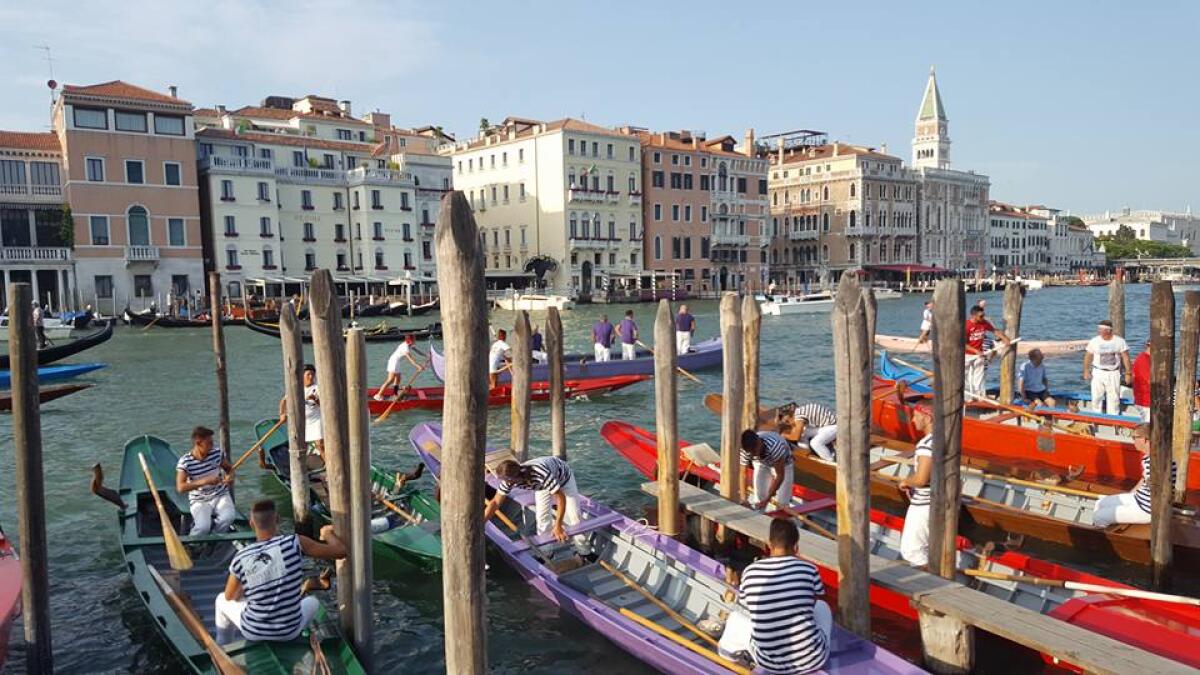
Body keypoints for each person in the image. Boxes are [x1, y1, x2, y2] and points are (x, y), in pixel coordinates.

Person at [215, 499, 347, 644]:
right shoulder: (295, 543)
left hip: (253, 631)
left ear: (252, 524)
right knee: (313, 602)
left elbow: (229, 597)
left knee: (220, 600)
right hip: (289, 631)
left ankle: (223, 644)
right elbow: (341, 551)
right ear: (278, 519)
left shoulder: (241, 557)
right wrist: (327, 533)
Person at [718, 518, 831, 673]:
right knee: (823, 606)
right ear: (796, 547)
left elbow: (747, 608)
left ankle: (733, 662)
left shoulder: (750, 572)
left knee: (735, 618)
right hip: (813, 659)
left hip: (769, 664)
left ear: (769, 544)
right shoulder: (810, 569)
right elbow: (814, 601)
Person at [483, 457, 589, 554]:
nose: (505, 483)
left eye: (507, 481)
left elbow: (561, 498)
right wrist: (481, 523)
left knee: (575, 518)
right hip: (541, 487)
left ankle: (584, 552)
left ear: (515, 477)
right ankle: (547, 553)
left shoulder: (539, 475)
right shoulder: (508, 481)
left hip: (564, 478)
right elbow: (495, 502)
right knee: (542, 518)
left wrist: (558, 526)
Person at [1092, 424, 1176, 527]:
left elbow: (1159, 487)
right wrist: (1131, 494)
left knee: (1098, 516)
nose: (1133, 441)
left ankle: (1105, 537)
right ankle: (1104, 527)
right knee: (1100, 503)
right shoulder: (1150, 456)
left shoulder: (1156, 460)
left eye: (1134, 438)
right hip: (1139, 499)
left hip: (1147, 509)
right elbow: (1144, 479)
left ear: (1144, 440)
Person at [175, 426, 236, 536]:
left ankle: (215, 539)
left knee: (228, 518)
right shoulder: (185, 462)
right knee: (203, 527)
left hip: (220, 494)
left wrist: (230, 477)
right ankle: (192, 544)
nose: (212, 446)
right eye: (209, 443)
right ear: (198, 443)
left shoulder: (217, 453)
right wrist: (204, 481)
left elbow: (229, 469)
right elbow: (181, 487)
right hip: (200, 499)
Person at [897, 408, 933, 566]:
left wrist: (906, 482)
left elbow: (921, 479)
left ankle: (930, 585)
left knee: (912, 550)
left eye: (916, 416)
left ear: (927, 418)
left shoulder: (926, 444)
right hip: (941, 500)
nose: (912, 420)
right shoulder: (946, 439)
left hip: (925, 502)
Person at [1083, 319, 1131, 416]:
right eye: (1099, 329)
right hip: (1098, 372)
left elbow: (1125, 358)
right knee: (1096, 397)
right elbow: (1088, 356)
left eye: (1101, 329)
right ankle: (1096, 416)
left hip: (1113, 373)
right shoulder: (1094, 341)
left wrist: (1128, 373)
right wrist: (1086, 370)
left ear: (1108, 330)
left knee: (1114, 398)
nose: (1099, 331)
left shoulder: (1119, 341)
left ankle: (1113, 418)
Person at [739, 429, 794, 511]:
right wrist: (744, 499)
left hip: (784, 464)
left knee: (782, 503)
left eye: (754, 451)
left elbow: (780, 476)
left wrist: (768, 497)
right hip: (761, 463)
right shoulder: (745, 450)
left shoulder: (775, 446)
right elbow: (743, 474)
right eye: (750, 452)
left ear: (759, 442)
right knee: (759, 497)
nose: (753, 454)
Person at [964, 305, 1011, 398]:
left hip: (980, 355)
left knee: (979, 377)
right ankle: (966, 396)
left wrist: (1005, 339)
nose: (983, 318)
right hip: (967, 355)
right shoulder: (966, 325)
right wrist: (975, 351)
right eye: (981, 316)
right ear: (973, 316)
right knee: (964, 376)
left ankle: (978, 396)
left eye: (983, 315)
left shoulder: (984, 323)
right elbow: (962, 343)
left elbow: (995, 331)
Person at [279, 364, 323, 458]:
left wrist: (315, 400)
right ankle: (304, 467)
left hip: (317, 420)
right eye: (308, 374)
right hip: (304, 422)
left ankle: (329, 466)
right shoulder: (297, 389)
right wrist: (282, 414)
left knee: (319, 444)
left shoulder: (317, 389)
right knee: (301, 446)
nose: (311, 377)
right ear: (302, 376)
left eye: (312, 375)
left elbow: (324, 406)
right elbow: (284, 401)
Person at [373, 334, 424, 401]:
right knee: (390, 380)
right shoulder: (405, 347)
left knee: (398, 379)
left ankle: (395, 394)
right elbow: (410, 359)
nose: (415, 340)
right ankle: (378, 395)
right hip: (393, 362)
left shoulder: (409, 344)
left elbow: (417, 351)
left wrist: (426, 355)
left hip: (397, 362)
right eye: (414, 339)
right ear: (410, 340)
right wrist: (418, 366)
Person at [1131, 340, 1151, 421]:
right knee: (1147, 425)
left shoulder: (1150, 359)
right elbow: (1149, 380)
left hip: (1149, 401)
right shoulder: (1143, 360)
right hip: (1145, 402)